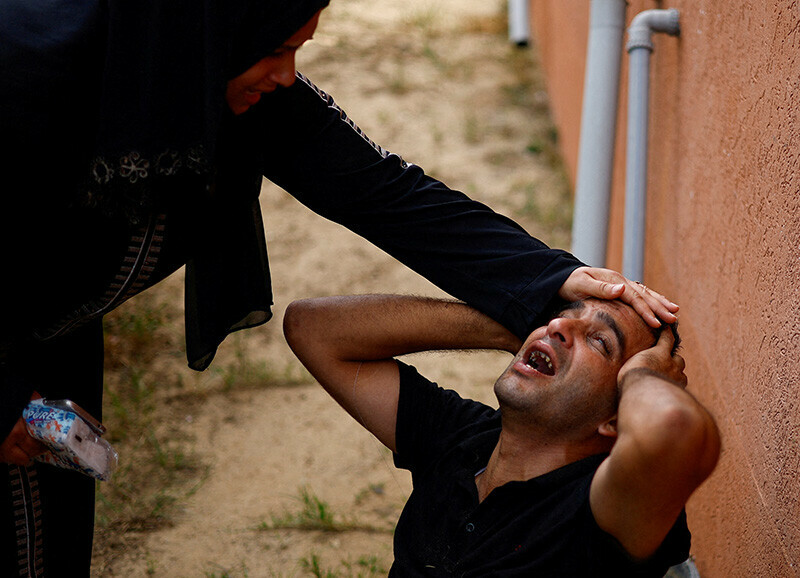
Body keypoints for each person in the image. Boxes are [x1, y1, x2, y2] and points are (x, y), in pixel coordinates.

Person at [0, 0, 679, 574]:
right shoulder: (30, 72)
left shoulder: (206, 67)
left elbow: (383, 191)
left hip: (49, 334)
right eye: (276, 48)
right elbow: (319, 329)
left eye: (299, 48)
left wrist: (543, 281)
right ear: (217, 25)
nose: (287, 74)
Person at [283, 293, 720, 576]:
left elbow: (676, 429)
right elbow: (312, 328)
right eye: (560, 317)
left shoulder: (600, 508)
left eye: (601, 341)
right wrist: (509, 326)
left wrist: (645, 375)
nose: (556, 327)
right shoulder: (465, 436)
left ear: (617, 419)